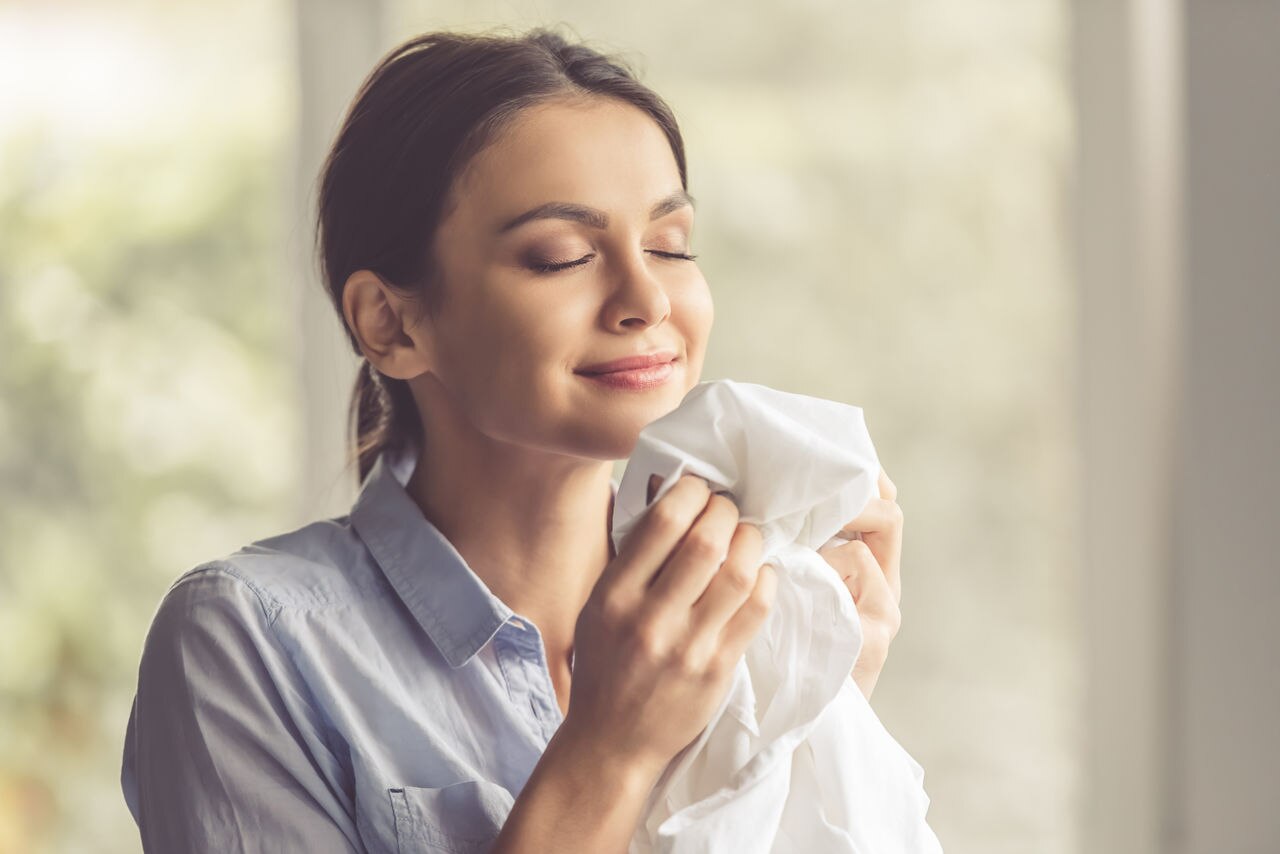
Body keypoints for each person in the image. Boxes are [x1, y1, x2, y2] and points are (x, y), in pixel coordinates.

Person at [120, 25, 905, 853]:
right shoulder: (248, 639)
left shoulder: (737, 620)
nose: (646, 299)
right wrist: (609, 752)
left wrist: (814, 700)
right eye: (561, 256)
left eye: (669, 245)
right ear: (390, 322)